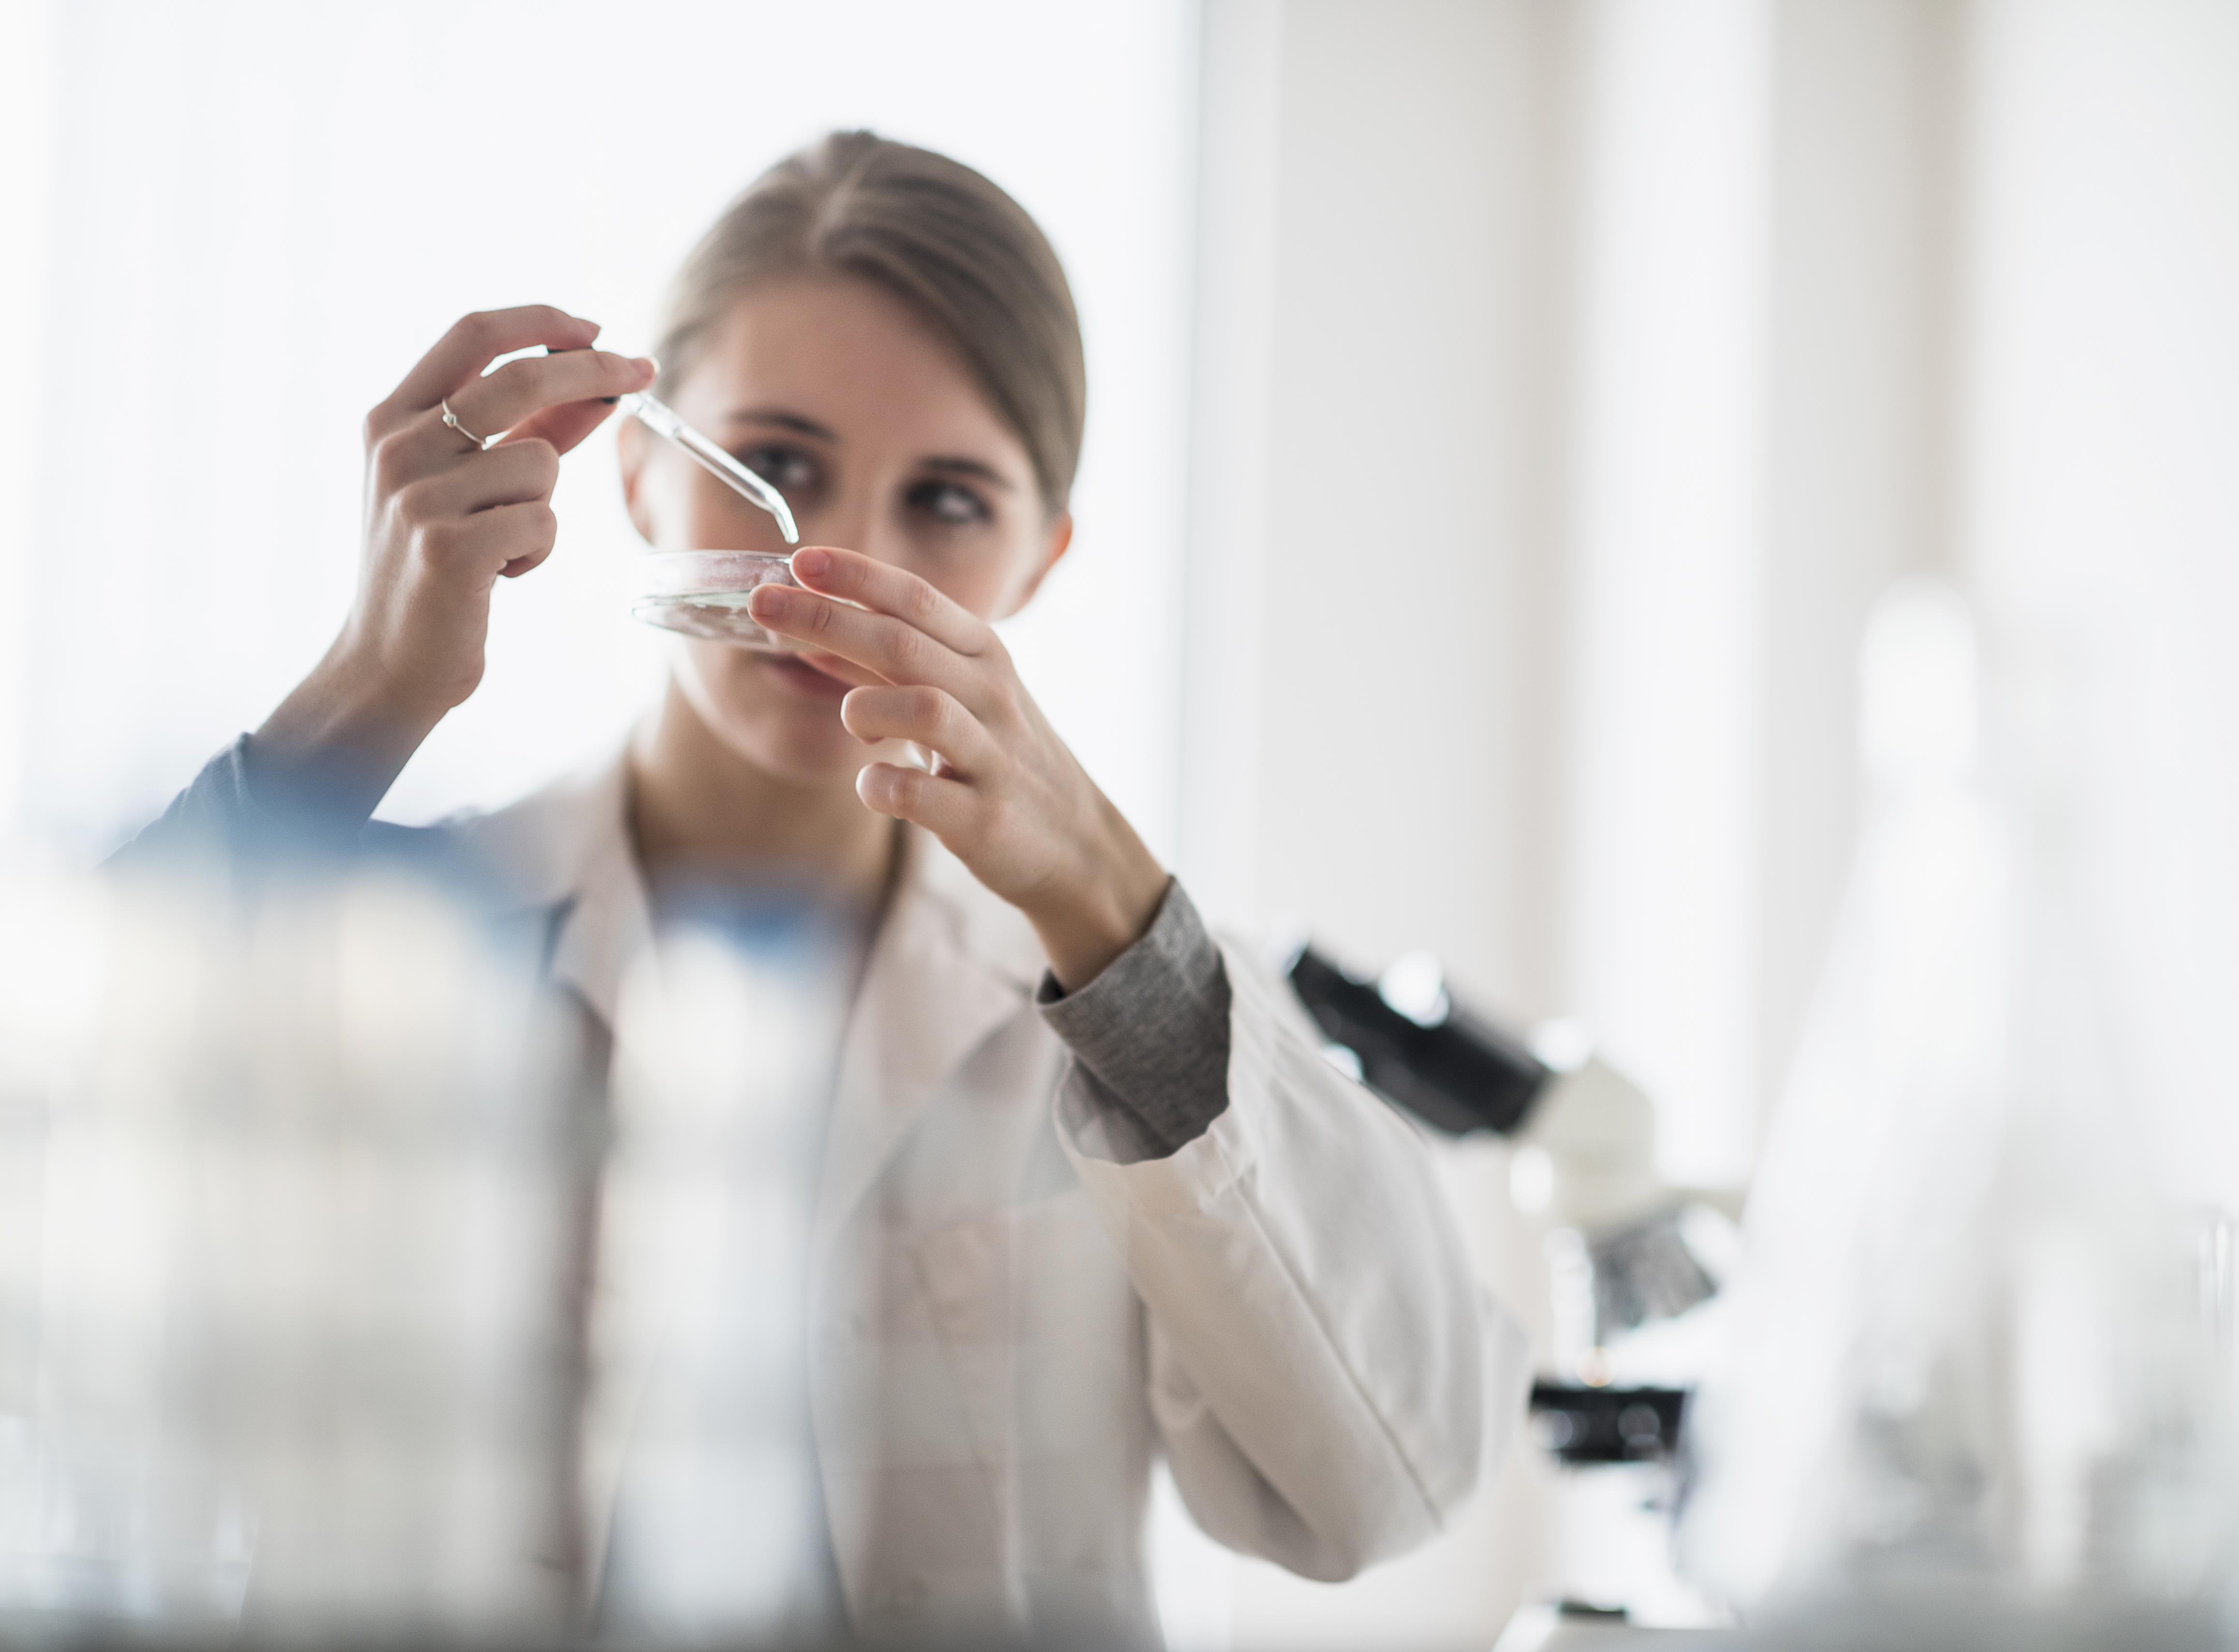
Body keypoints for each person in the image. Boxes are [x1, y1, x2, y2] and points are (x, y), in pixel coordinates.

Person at [125, 132, 1526, 1645]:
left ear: (1039, 565)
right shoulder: (402, 941)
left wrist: (1115, 905)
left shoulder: (1137, 1001)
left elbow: (1401, 1474)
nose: (836, 562)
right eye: (776, 467)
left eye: (947, 500)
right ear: (644, 474)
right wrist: (363, 698)